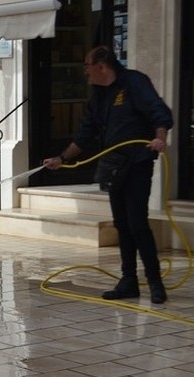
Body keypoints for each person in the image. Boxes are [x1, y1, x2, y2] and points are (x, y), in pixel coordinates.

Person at [42, 46, 173, 304]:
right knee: (121, 225)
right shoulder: (98, 96)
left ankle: (155, 283)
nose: (85, 72)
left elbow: (158, 111)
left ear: (102, 65)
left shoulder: (134, 82)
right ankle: (129, 281)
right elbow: (85, 133)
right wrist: (61, 159)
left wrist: (160, 138)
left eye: (87, 66)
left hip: (138, 162)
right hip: (113, 166)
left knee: (137, 223)